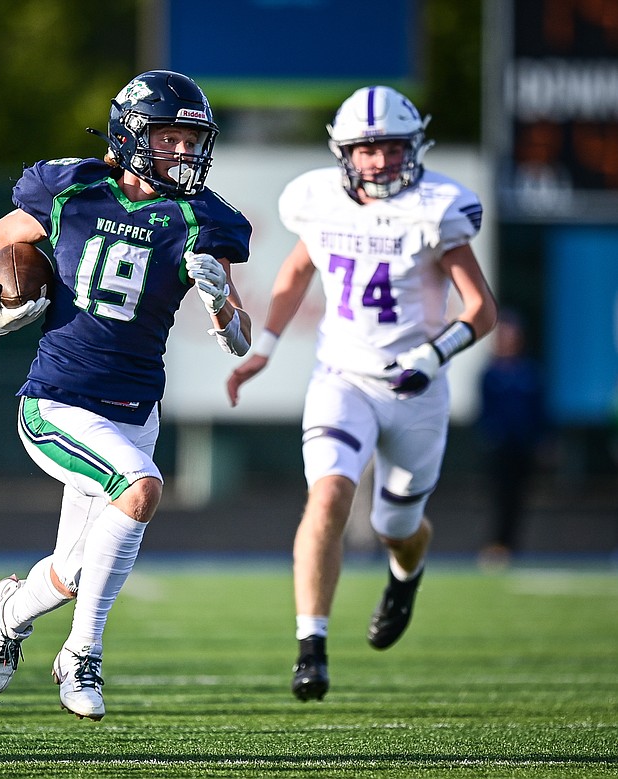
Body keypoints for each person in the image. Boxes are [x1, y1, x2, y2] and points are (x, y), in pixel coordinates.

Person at [0, 70, 253, 720]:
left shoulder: (200, 218)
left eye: (193, 140)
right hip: (56, 402)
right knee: (142, 487)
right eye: (168, 137)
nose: (184, 153)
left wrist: (219, 306)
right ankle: (81, 655)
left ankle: (10, 613)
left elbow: (240, 340)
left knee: (73, 573)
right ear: (130, 134)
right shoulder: (72, 189)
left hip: (134, 411)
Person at [226, 85, 497, 701]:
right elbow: (297, 271)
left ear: (414, 148)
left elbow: (482, 310)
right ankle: (311, 647)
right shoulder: (318, 200)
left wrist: (434, 353)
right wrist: (263, 349)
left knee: (396, 525)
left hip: (415, 390)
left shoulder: (437, 209)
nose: (379, 160)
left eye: (392, 147)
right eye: (367, 148)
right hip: (342, 378)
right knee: (327, 499)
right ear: (344, 152)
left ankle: (406, 575)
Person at [476, 310, 545, 567]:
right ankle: (495, 545)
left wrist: (541, 440)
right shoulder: (490, 374)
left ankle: (511, 545)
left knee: (519, 497)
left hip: (523, 446)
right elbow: (485, 411)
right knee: (499, 496)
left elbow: (539, 410)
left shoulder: (529, 372)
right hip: (499, 447)